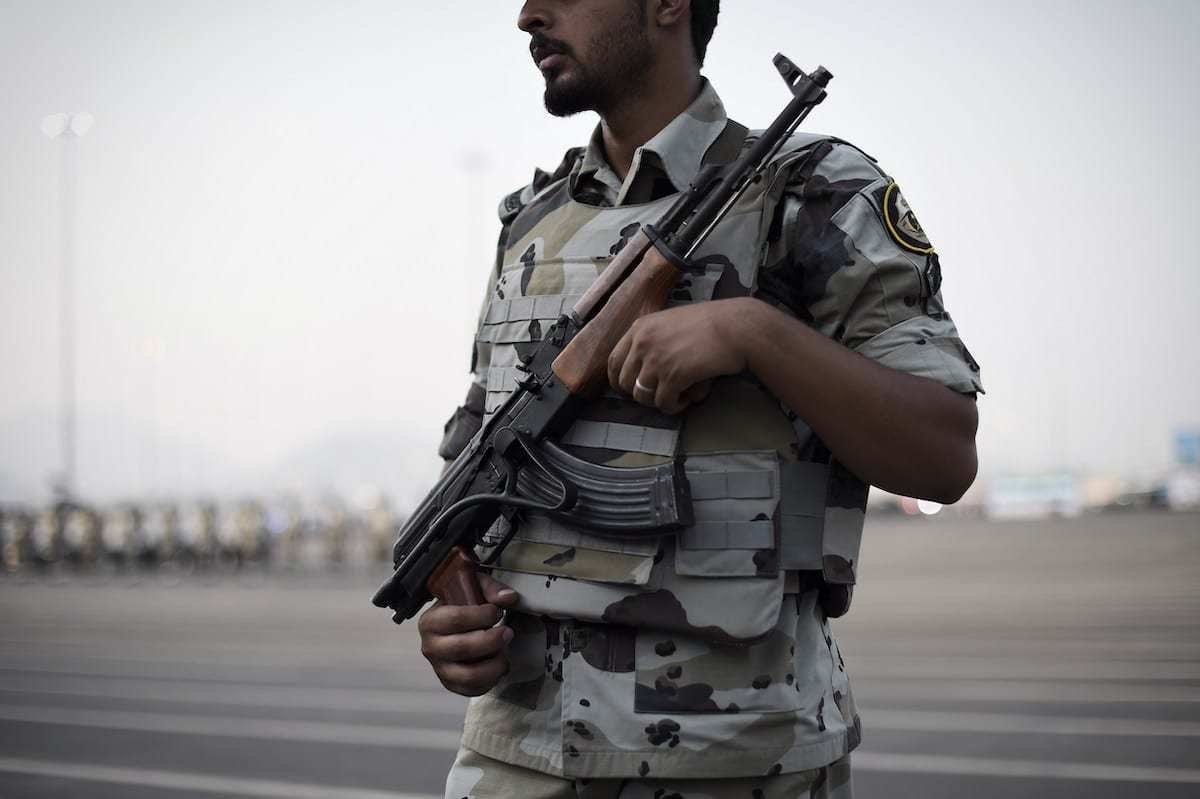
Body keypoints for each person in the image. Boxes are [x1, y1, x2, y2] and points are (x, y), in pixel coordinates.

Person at [419, 2, 982, 797]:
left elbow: (945, 453)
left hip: (730, 761)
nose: (526, 15)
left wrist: (755, 332)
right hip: (515, 758)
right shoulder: (531, 226)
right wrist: (455, 621)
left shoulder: (812, 193)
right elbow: (475, 473)